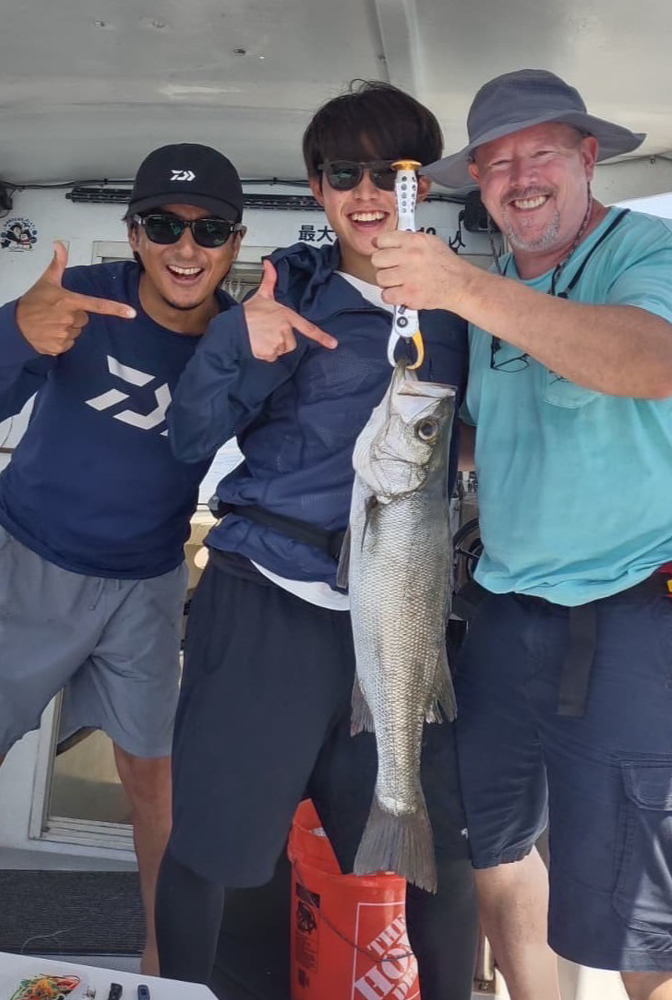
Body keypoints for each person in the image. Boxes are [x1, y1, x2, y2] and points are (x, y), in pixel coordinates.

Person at [369, 69, 672, 1000]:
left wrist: (458, 286)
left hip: (633, 619)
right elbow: (482, 440)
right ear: (480, 185)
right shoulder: (493, 292)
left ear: (588, 157)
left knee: (647, 930)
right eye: (496, 164)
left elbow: (653, 362)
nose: (520, 178)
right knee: (498, 854)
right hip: (505, 613)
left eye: (541, 153)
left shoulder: (654, 250)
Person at [157, 81, 478, 1000]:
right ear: (316, 187)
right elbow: (190, 437)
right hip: (269, 602)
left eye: (389, 172)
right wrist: (237, 339)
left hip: (404, 608)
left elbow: (495, 438)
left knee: (438, 861)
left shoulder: (466, 304)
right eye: (344, 174)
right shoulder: (285, 292)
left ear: (422, 184)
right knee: (219, 850)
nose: (366, 193)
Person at [0, 141, 246, 973]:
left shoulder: (242, 339)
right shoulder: (79, 298)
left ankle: (162, 964)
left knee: (154, 780)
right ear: (134, 234)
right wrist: (16, 332)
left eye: (209, 229)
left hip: (147, 584)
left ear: (235, 244)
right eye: (163, 226)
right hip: (29, 561)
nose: (186, 247)